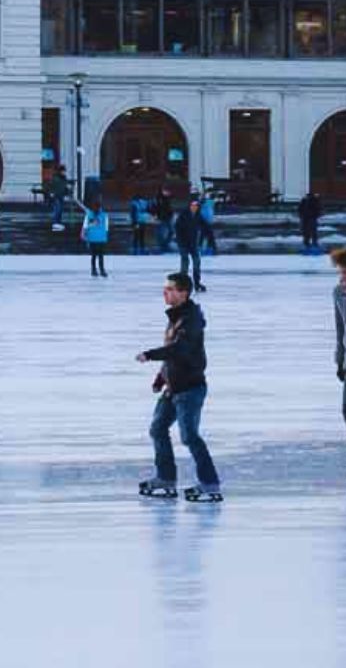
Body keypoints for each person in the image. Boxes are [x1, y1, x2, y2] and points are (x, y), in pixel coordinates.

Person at [136, 273, 222, 502]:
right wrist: (161, 377)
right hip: (173, 388)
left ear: (183, 293)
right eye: (165, 288)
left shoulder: (190, 319)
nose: (166, 293)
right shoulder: (175, 317)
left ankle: (210, 483)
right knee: (157, 429)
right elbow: (172, 352)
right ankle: (166, 478)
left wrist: (149, 355)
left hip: (190, 388)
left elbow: (178, 349)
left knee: (189, 436)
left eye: (170, 289)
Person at [332, 246, 346, 477]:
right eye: (340, 272)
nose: (342, 277)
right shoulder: (338, 293)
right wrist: (339, 360)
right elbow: (340, 328)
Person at [174, 197, 206, 291]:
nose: (194, 207)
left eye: (196, 206)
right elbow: (177, 228)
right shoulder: (183, 215)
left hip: (193, 243)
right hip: (183, 243)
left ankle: (197, 283)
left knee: (197, 263)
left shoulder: (198, 215)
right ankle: (182, 284)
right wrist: (180, 241)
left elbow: (205, 226)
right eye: (192, 205)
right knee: (185, 264)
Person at [82, 202, 111, 278]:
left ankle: (95, 270)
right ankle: (100, 270)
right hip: (99, 238)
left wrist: (84, 234)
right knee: (99, 256)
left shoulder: (89, 215)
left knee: (94, 256)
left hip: (94, 238)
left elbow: (85, 226)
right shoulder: (104, 215)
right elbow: (106, 228)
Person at [46, 165, 70, 230]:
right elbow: (50, 186)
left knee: (60, 210)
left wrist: (67, 192)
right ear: (60, 171)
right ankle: (55, 222)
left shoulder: (64, 178)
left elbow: (64, 187)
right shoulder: (55, 178)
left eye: (64, 171)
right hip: (56, 196)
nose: (64, 172)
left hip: (61, 196)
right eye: (63, 171)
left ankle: (58, 222)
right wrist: (51, 193)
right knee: (57, 209)